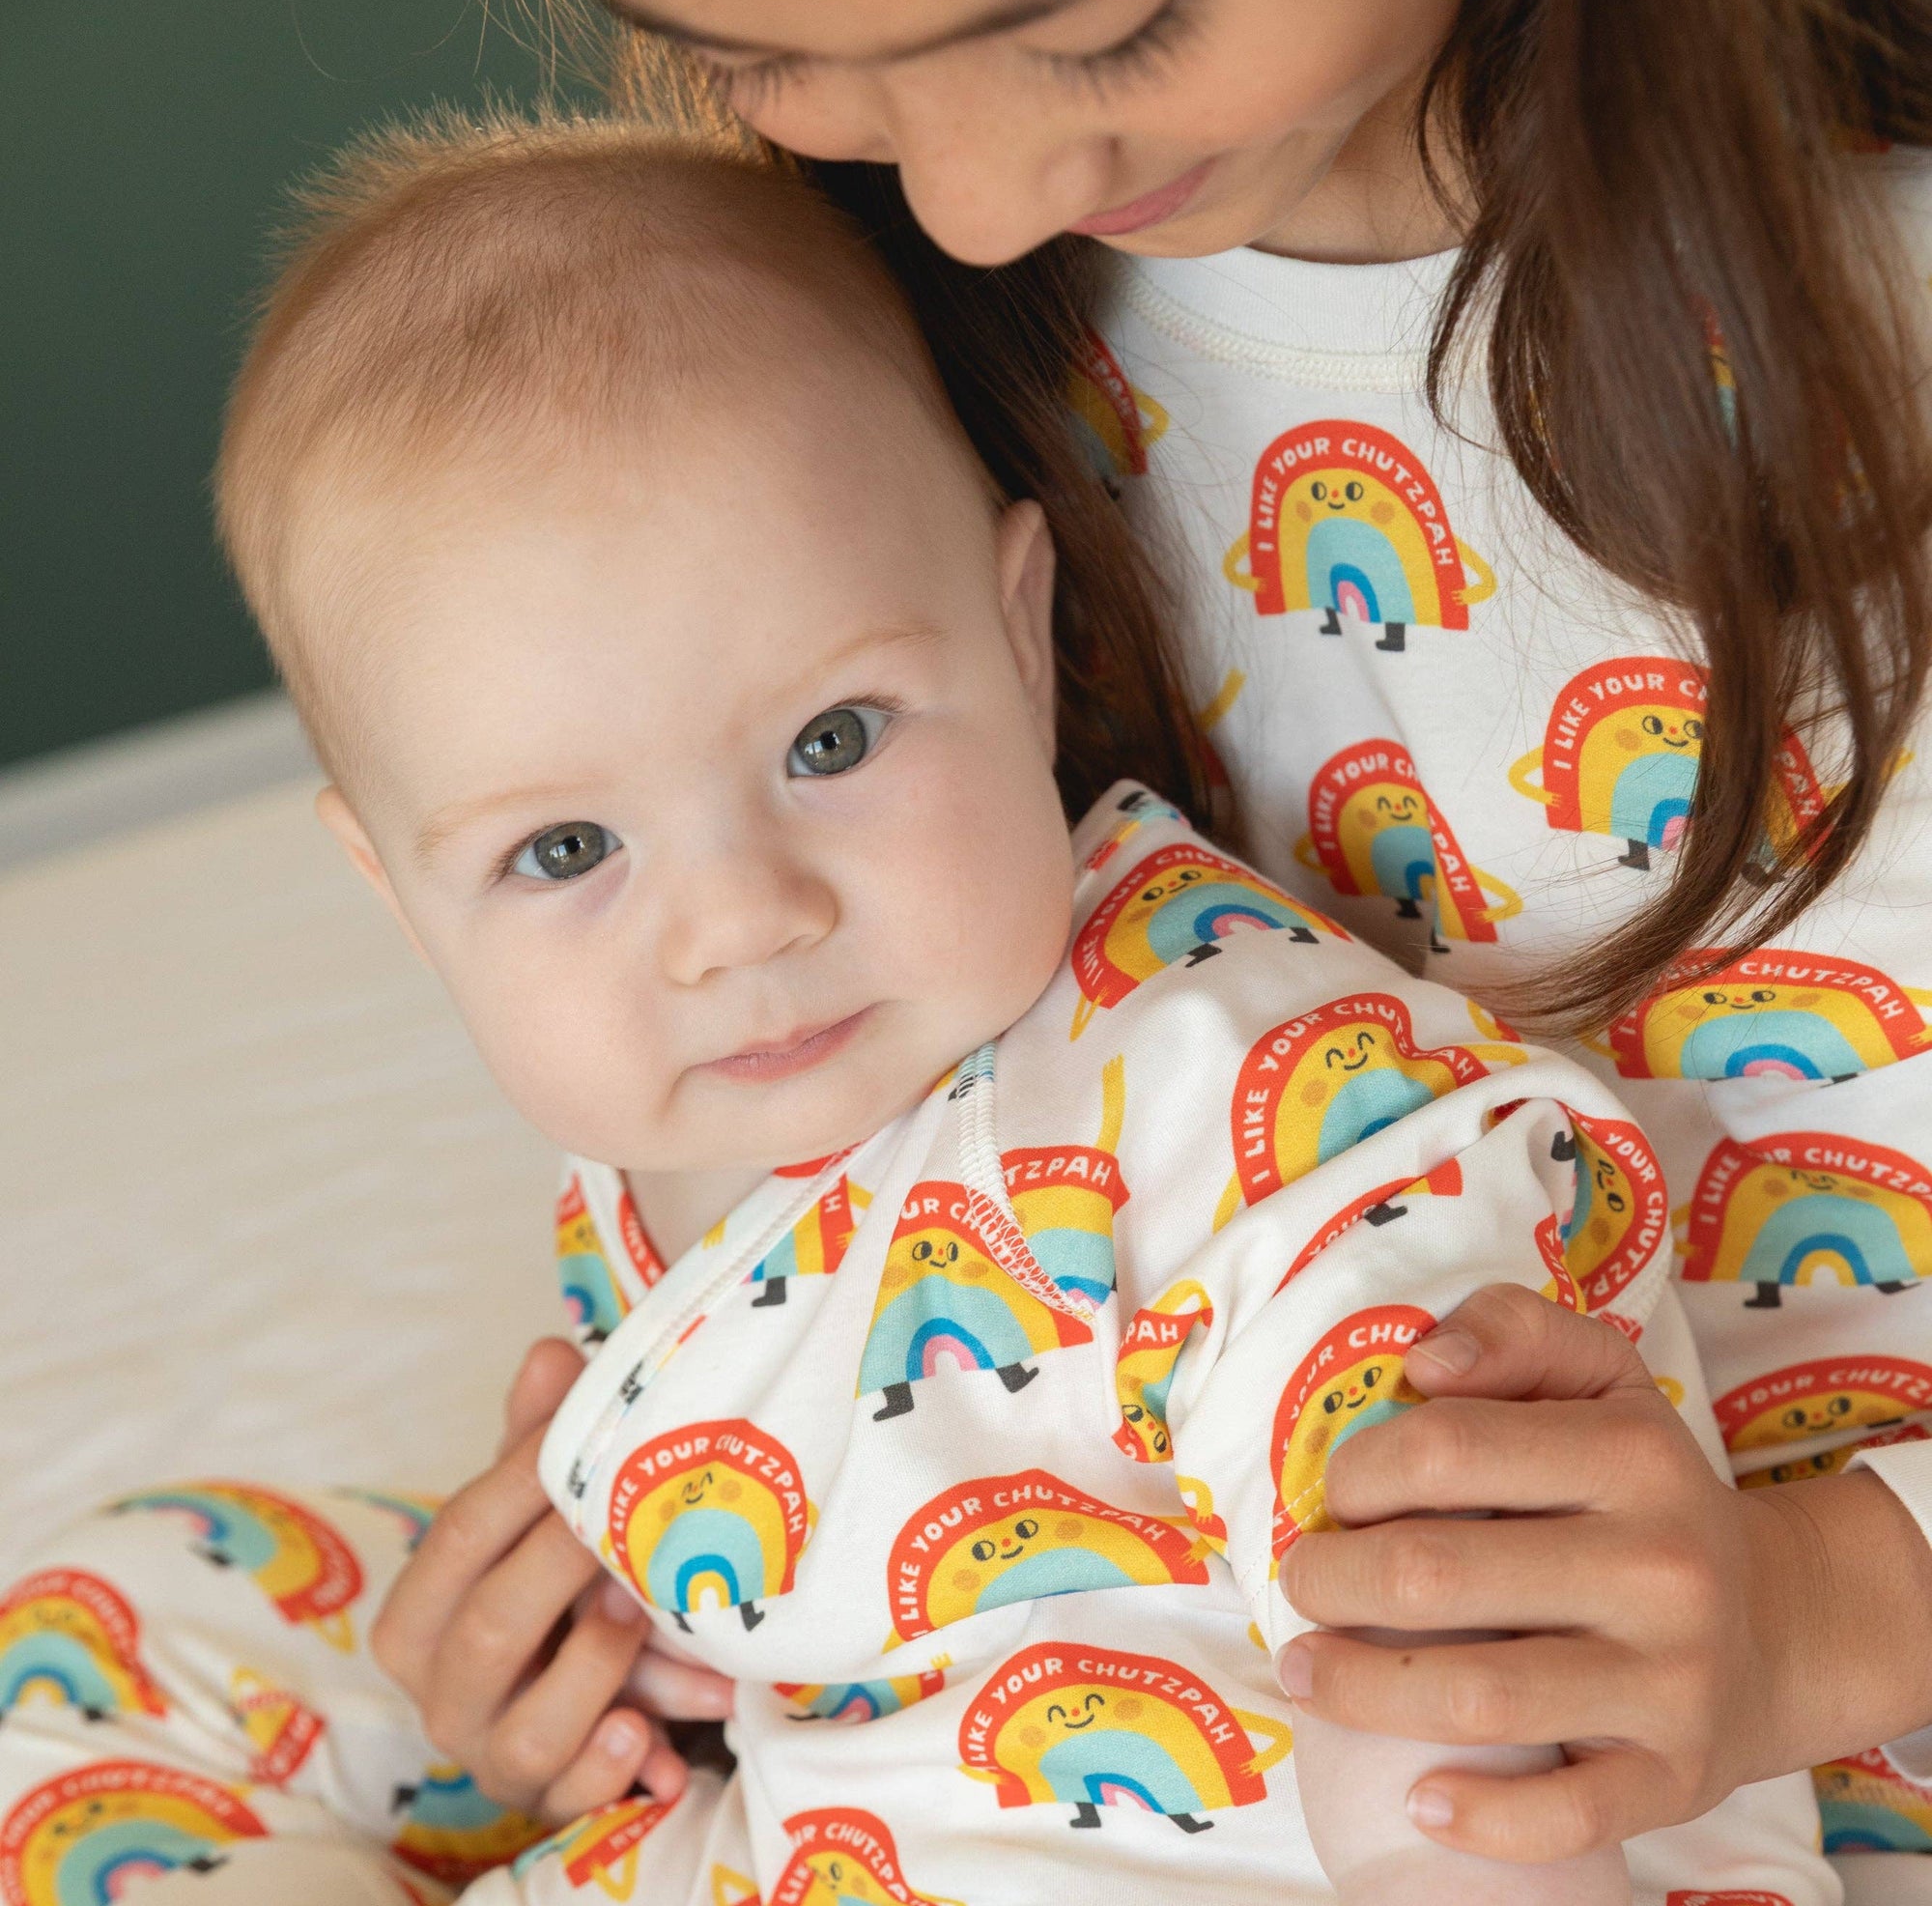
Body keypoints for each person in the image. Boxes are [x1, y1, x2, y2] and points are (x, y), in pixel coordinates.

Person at [0, 112, 1832, 1903]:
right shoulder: (663, 1168)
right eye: (565, 850)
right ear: (399, 899)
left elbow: (1442, 1583)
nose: (739, 923)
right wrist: (634, 1670)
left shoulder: (1218, 1070)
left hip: (1311, 1833)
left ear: (1020, 639)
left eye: (831, 742)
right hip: (840, 1817)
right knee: (109, 1634)